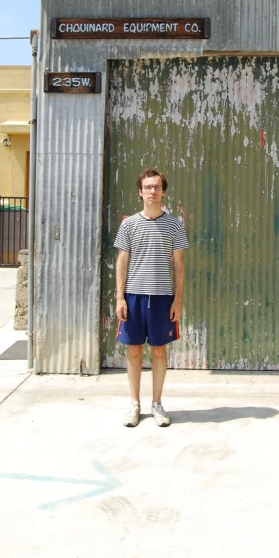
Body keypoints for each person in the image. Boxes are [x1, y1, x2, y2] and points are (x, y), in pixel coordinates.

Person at [114, 168, 189, 427]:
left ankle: (157, 404)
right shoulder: (129, 224)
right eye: (148, 187)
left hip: (161, 299)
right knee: (133, 351)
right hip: (134, 297)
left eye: (157, 187)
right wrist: (119, 298)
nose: (152, 191)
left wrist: (177, 300)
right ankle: (134, 404)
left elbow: (179, 265)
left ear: (163, 191)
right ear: (140, 191)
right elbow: (122, 261)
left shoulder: (174, 224)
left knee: (159, 351)